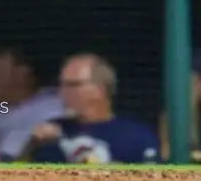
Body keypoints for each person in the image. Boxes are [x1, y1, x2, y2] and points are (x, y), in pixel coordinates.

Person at [23, 54, 158, 163]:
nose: (63, 93)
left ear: (99, 89)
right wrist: (31, 146)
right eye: (62, 86)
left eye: (73, 85)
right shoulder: (50, 133)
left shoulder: (135, 136)